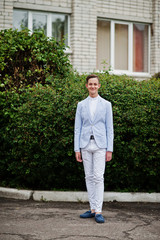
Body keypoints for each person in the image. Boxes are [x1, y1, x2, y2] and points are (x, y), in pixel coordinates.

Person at [74, 74, 114, 223]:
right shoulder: (81, 105)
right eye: (90, 84)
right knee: (88, 177)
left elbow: (110, 129)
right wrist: (76, 149)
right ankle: (92, 209)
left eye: (95, 84)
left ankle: (98, 211)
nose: (92, 86)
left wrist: (109, 149)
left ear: (99, 86)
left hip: (100, 145)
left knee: (98, 177)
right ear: (86, 86)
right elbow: (77, 128)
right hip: (85, 145)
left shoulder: (106, 104)